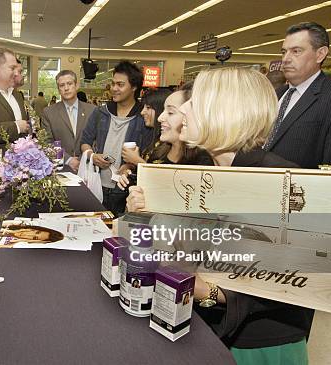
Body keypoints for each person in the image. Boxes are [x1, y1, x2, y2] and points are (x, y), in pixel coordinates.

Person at [128, 68, 310, 365]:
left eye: (195, 101)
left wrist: (203, 289)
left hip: (257, 346)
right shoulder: (200, 171)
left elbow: (288, 282)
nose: (183, 108)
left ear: (226, 112)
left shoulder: (283, 183)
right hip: (200, 327)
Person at [265, 22, 331, 170]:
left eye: (296, 51)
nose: (286, 58)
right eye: (284, 52)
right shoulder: (276, 94)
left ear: (320, 54)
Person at [80, 61, 151, 217]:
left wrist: (130, 166)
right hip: (96, 184)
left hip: (126, 190)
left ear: (133, 87)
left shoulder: (143, 117)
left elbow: (148, 156)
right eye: (112, 83)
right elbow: (84, 142)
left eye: (120, 84)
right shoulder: (101, 113)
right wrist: (92, 155)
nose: (114, 88)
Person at [118, 83, 213, 190]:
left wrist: (138, 162)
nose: (160, 118)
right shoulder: (160, 148)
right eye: (163, 111)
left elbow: (178, 193)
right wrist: (130, 176)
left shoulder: (202, 161)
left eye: (171, 112)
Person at [41, 70, 97, 172]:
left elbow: (96, 140)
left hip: (88, 167)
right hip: (62, 168)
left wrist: (85, 158)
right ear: (58, 89)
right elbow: (47, 142)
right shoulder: (48, 112)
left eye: (69, 84)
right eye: (62, 85)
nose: (66, 88)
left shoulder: (92, 110)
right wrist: (69, 160)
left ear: (76, 85)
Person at [0, 224, 64, 244]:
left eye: (35, 238)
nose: (28, 235)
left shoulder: (11, 242)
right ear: (34, 228)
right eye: (36, 232)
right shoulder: (11, 224)